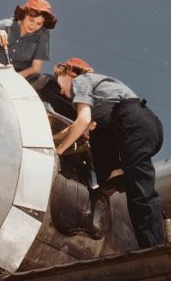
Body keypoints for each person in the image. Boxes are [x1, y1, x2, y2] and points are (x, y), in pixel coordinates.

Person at [53, 58, 165, 249]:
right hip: (134, 123)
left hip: (133, 122)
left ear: (69, 74)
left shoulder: (81, 81)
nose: (61, 91)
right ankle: (114, 174)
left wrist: (59, 151)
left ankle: (154, 247)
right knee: (97, 133)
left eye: (60, 83)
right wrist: (53, 138)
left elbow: (82, 120)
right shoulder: (95, 90)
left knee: (140, 192)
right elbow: (83, 126)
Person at [0, 0, 57, 80]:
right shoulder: (4, 25)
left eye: (39, 24)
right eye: (31, 20)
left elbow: (36, 68)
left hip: (25, 79)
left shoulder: (43, 34)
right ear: (23, 15)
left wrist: (15, 77)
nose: (33, 26)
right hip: (3, 74)